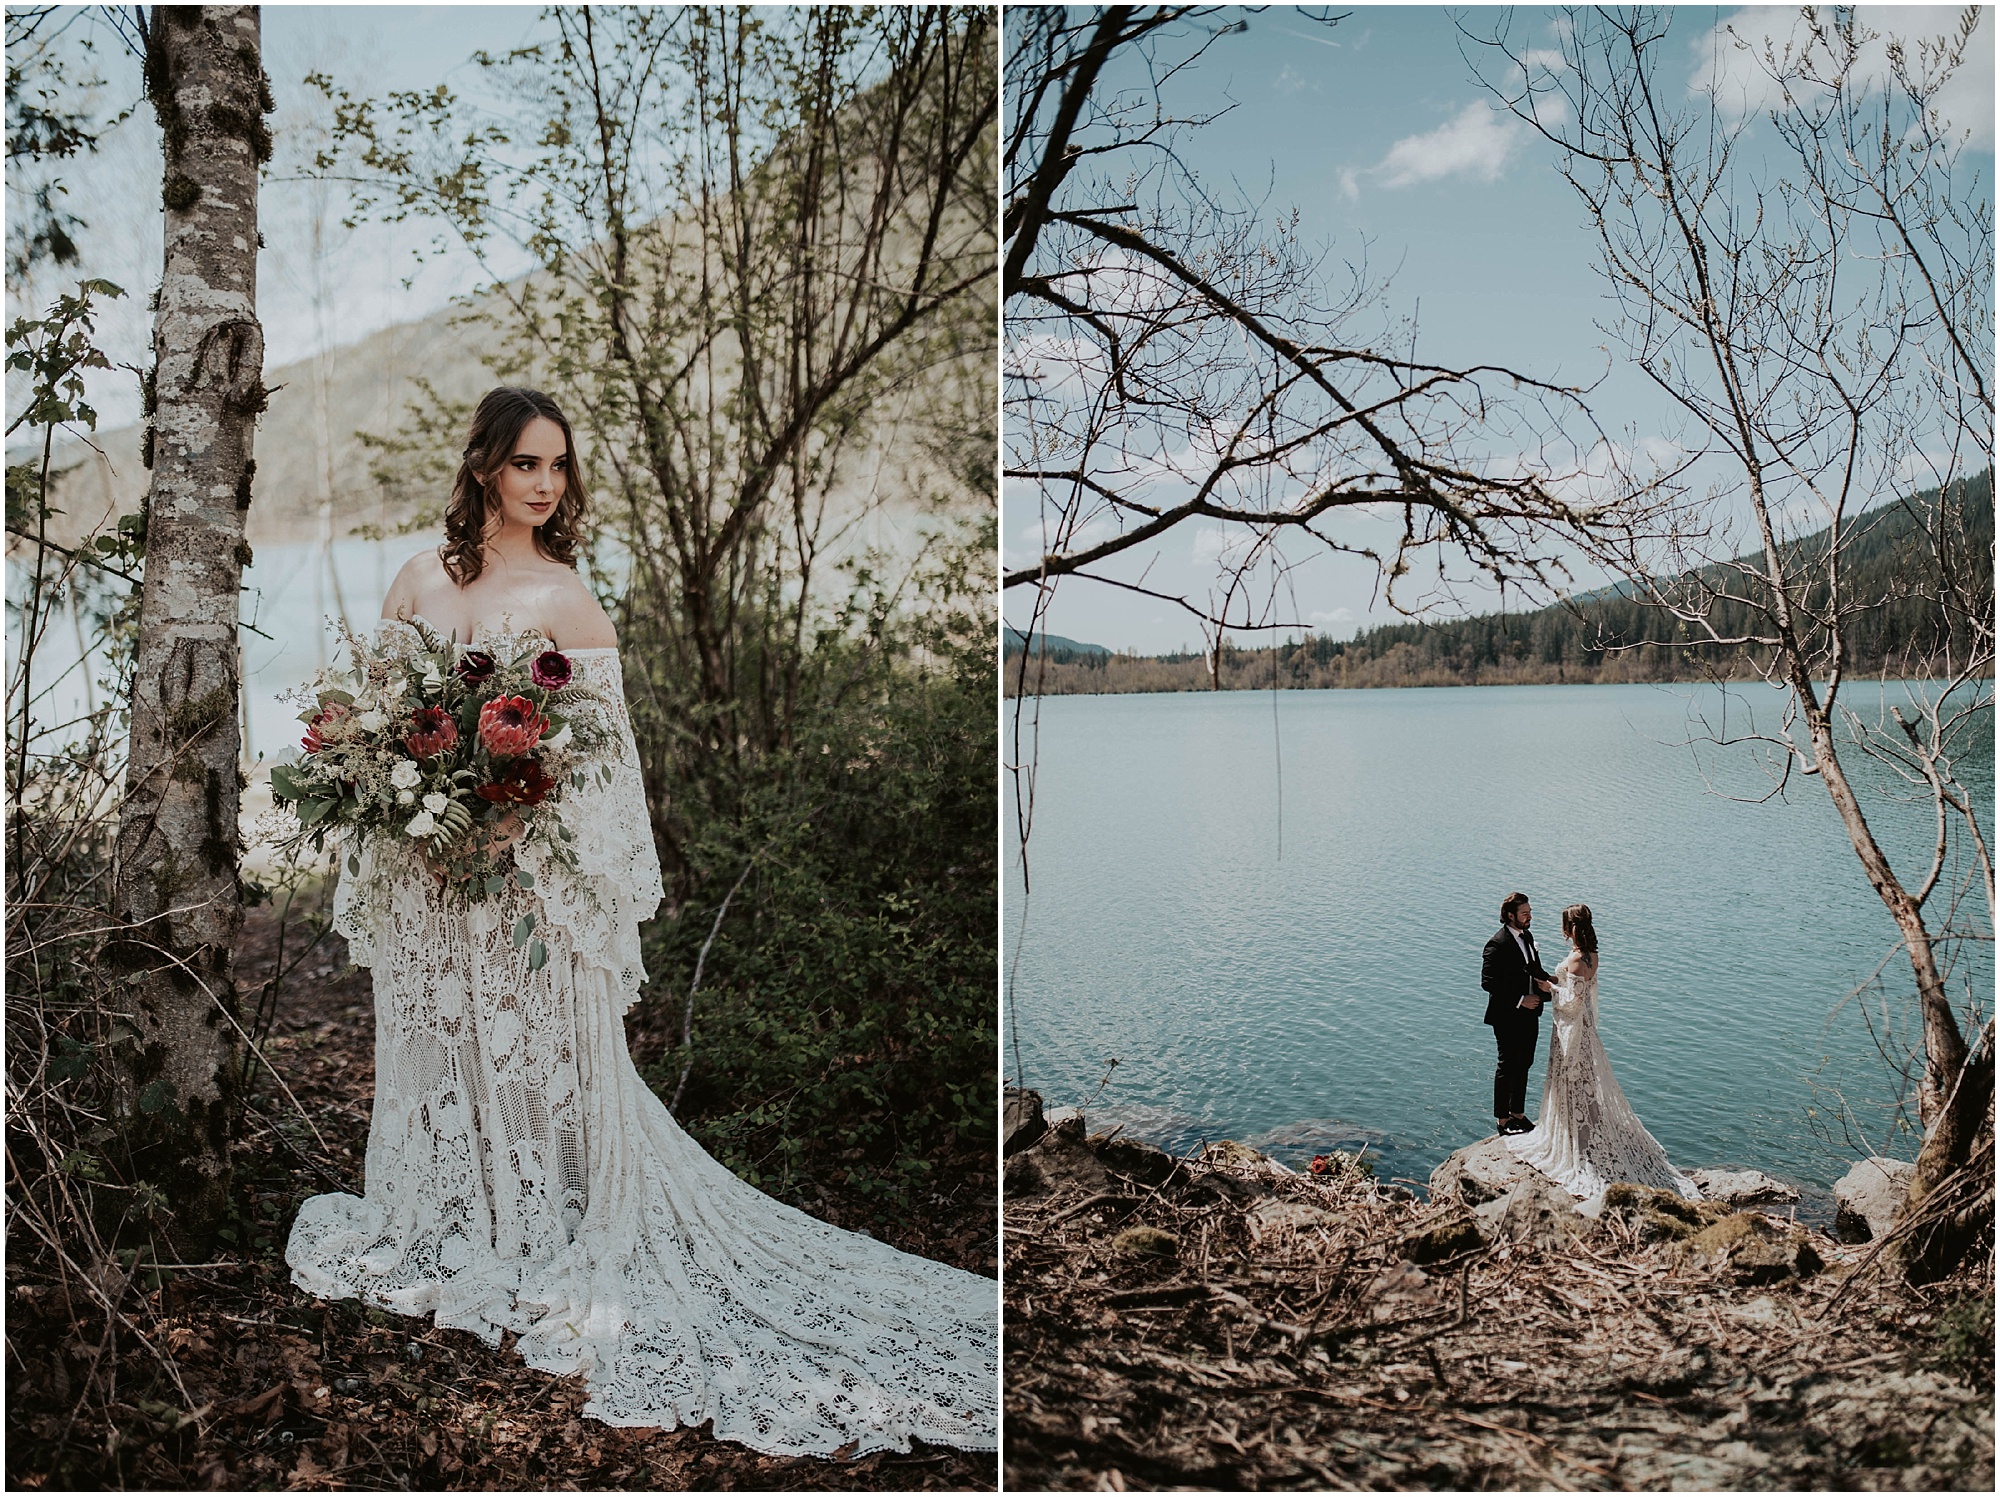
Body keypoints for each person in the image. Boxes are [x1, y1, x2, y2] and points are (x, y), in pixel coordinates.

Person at [285, 387, 997, 1458]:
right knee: (446, 1039)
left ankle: (540, 1217)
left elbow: (601, 778)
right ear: (483, 466)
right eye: (526, 463)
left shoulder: (567, 601)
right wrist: (408, 812)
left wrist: (505, 829)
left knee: (531, 1051)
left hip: (522, 883)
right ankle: (451, 1209)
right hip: (428, 874)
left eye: (558, 465)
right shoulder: (417, 579)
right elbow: (376, 729)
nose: (545, 484)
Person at [1504, 903, 1699, 1205]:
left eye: (1564, 925)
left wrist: (1549, 988)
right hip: (1584, 1027)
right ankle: (1582, 1128)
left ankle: (1572, 1136)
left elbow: (1571, 1001)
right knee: (1584, 1077)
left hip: (1572, 1029)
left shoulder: (1575, 958)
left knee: (1571, 1076)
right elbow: (1579, 990)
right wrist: (1556, 982)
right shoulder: (1591, 955)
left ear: (1570, 928)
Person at [1480, 891, 1553, 1136]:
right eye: (1525, 913)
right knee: (1507, 1065)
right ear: (1510, 915)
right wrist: (1521, 999)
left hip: (1531, 1013)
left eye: (1530, 912)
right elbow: (1488, 982)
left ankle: (1518, 1114)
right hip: (1507, 1015)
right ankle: (1502, 1120)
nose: (1529, 917)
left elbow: (1533, 969)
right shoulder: (1496, 944)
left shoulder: (1527, 936)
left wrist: (1552, 986)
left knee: (1525, 1063)